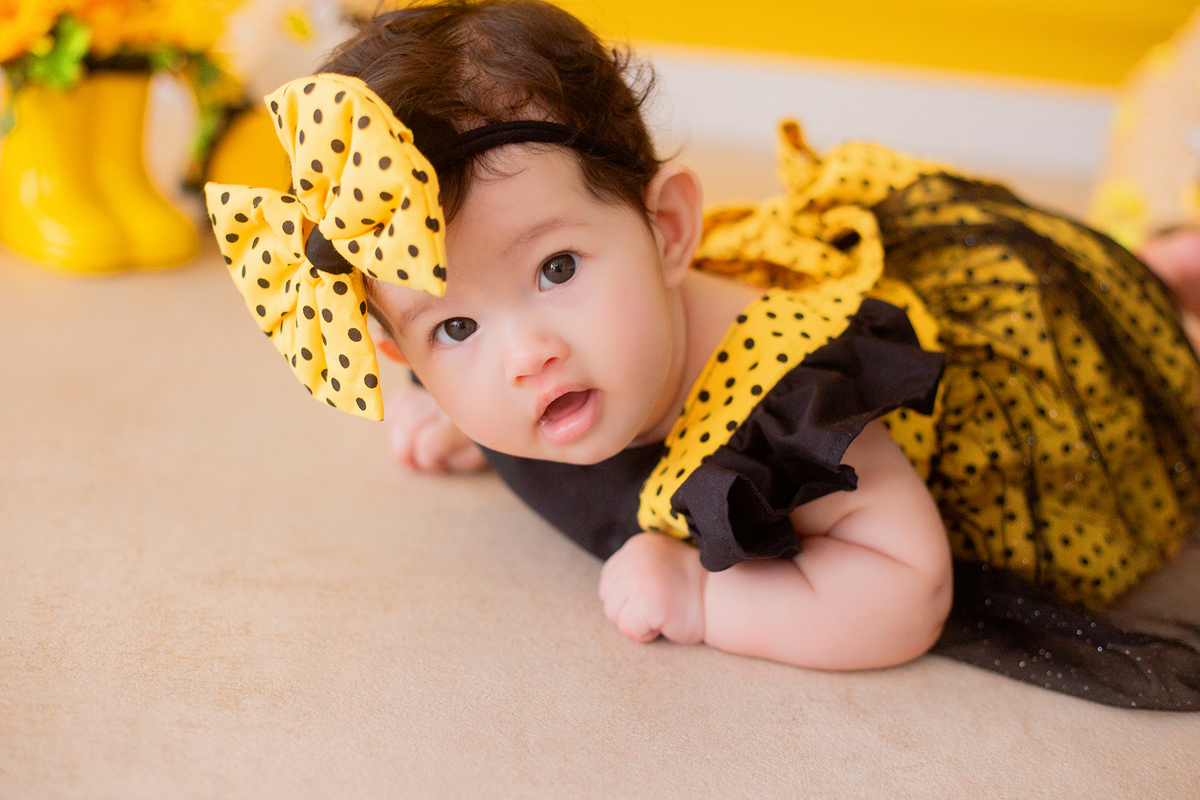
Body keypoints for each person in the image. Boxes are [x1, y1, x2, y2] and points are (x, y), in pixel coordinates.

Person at [206, 0, 1200, 708]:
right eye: (453, 328)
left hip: (1013, 377)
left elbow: (909, 584)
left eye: (556, 266)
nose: (526, 353)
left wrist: (708, 598)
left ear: (669, 230)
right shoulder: (546, 362)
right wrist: (448, 409)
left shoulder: (794, 401)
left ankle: (1152, 287)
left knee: (1110, 330)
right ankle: (1159, 268)